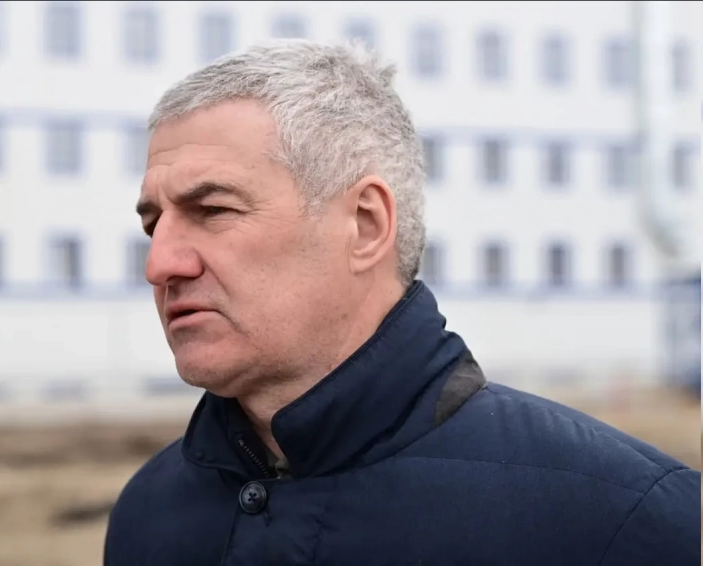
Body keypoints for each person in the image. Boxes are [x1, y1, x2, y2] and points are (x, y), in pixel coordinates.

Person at [104, 39, 701, 566]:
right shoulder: (146, 515)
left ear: (365, 225)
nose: (159, 264)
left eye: (213, 210)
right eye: (153, 225)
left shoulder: (628, 523)